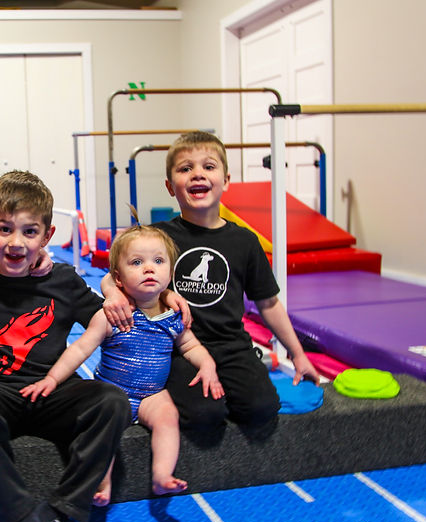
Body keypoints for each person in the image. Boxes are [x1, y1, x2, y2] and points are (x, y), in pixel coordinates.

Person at [0, 170, 131, 522]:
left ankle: (61, 511)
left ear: (47, 237)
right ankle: (20, 511)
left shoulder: (61, 278)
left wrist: (127, 295)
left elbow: (103, 317)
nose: (16, 243)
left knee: (112, 400)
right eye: (4, 230)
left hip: (52, 389)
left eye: (30, 232)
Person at [102, 131, 319, 441]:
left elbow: (268, 303)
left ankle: (228, 390)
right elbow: (114, 275)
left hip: (231, 346)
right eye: (185, 168)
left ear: (226, 180)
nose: (197, 174)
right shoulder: (157, 237)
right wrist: (112, 293)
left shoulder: (244, 241)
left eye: (208, 166)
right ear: (170, 186)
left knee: (261, 409)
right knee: (204, 417)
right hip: (177, 347)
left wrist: (298, 354)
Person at [21, 224, 222, 506]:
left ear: (171, 273)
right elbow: (79, 348)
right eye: (137, 263)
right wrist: (52, 379)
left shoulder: (173, 315)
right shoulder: (113, 316)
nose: (149, 269)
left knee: (168, 417)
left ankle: (162, 474)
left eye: (158, 261)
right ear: (118, 278)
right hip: (114, 392)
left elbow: (189, 345)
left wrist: (207, 364)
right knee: (102, 428)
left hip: (152, 394)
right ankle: (102, 482)